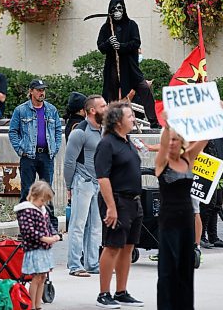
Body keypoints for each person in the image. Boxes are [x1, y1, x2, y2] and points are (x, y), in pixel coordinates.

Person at [154, 116, 208, 310]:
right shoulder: (162, 162)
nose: (171, 143)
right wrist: (168, 125)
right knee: (168, 269)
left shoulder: (188, 158)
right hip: (168, 221)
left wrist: (216, 113)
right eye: (169, 140)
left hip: (186, 219)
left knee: (185, 269)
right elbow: (163, 144)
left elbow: (206, 137)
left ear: (183, 143)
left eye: (175, 140)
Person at [94, 102, 144, 308]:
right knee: (112, 246)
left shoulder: (128, 141)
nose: (133, 119)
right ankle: (103, 294)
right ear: (117, 121)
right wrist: (111, 207)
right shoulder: (107, 144)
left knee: (128, 247)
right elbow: (103, 177)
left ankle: (121, 291)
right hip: (117, 200)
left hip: (133, 202)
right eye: (130, 116)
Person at [97, 0, 159, 128]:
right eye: (114, 9)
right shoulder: (106, 28)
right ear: (110, 11)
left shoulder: (131, 25)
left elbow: (136, 42)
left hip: (130, 66)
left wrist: (121, 46)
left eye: (120, 8)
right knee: (112, 96)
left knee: (144, 88)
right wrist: (109, 43)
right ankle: (113, 123)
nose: (117, 11)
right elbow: (101, 47)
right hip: (113, 67)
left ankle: (153, 121)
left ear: (124, 9)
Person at [8, 78, 62, 231]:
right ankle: (26, 227)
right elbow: (13, 131)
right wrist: (20, 149)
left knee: (47, 190)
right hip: (28, 156)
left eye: (43, 90)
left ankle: (51, 226)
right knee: (27, 191)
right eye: (38, 90)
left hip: (47, 155)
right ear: (31, 91)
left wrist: (56, 147)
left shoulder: (51, 109)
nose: (41, 93)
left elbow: (58, 130)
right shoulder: (21, 110)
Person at [64, 95, 107, 277]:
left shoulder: (105, 130)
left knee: (96, 226)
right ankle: (75, 264)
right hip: (82, 182)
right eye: (103, 106)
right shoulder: (79, 132)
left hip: (99, 183)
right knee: (78, 224)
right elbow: (68, 162)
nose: (107, 108)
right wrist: (69, 187)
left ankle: (92, 263)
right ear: (92, 111)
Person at [14, 181, 60, 310]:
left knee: (43, 276)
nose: (43, 203)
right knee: (36, 277)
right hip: (34, 249)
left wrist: (54, 234)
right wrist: (44, 238)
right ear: (34, 196)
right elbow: (28, 230)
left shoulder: (42, 209)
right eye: (42, 200)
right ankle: (32, 304)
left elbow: (49, 225)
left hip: (44, 249)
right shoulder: (27, 210)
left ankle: (38, 304)